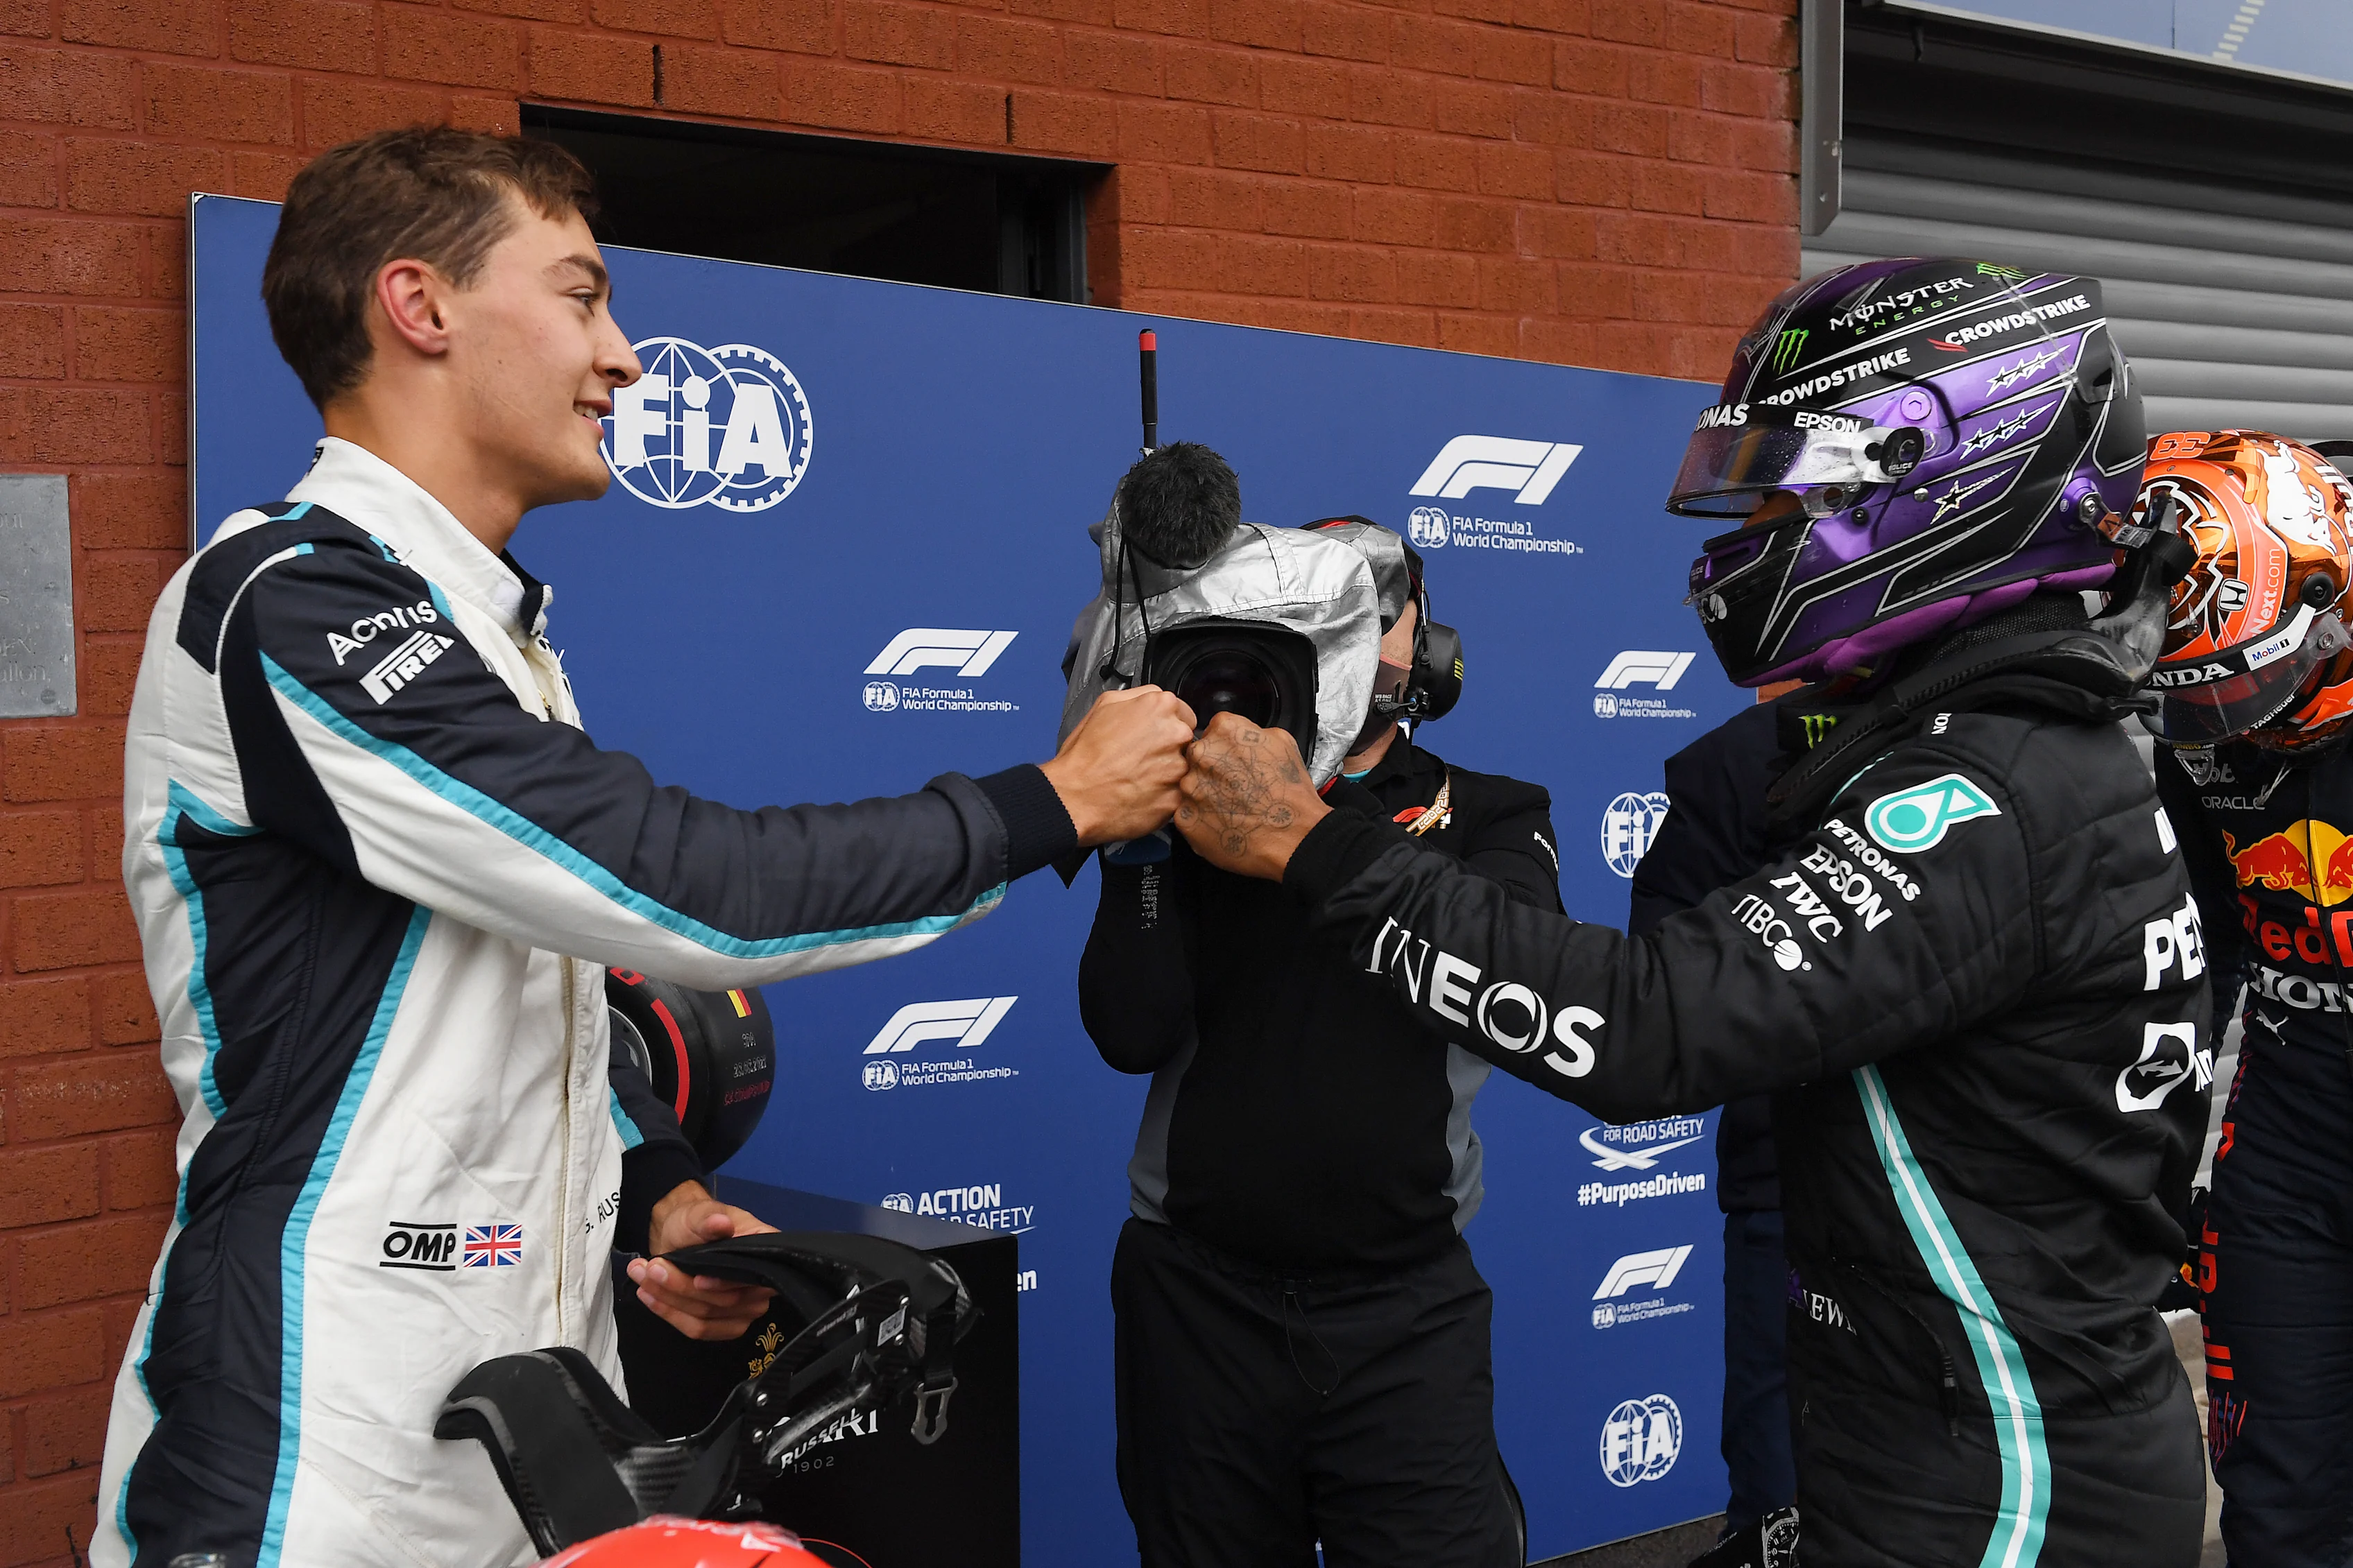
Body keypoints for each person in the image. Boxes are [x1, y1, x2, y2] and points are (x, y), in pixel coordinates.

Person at [98, 127, 1192, 1568]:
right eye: (579, 295)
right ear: (418, 307)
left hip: (534, 1421)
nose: (623, 356)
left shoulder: (485, 631)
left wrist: (655, 1180)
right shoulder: (286, 600)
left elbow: (536, 980)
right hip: (316, 1450)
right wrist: (1049, 801)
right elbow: (682, 889)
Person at [1169, 258, 2217, 1567]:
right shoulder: (2017, 747)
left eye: (1791, 482)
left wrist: (1306, 843)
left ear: (1934, 474)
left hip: (2006, 1481)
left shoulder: (1990, 790)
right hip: (1943, 1442)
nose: (1752, 522)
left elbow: (1649, 1030)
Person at [1076, 479, 1561, 1566]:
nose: (1352, 633)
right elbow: (1129, 1030)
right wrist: (1143, 851)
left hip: (1406, 1312)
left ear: (1429, 640)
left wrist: (1305, 823)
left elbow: (1515, 978)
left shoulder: (1490, 810)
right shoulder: (1191, 805)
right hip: (1196, 1302)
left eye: (1379, 605)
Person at [2139, 430, 2353, 1568]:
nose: (2231, 710)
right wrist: (2166, 1149)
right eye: (2201, 691)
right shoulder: (2205, 731)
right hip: (2282, 1152)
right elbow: (2196, 950)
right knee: (2276, 1504)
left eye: (2252, 675)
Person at [1624, 699, 1798, 1561]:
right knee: (1779, 1502)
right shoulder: (1736, 763)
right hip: (1790, 1190)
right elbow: (1663, 1001)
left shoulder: (2006, 742)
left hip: (1978, 1200)